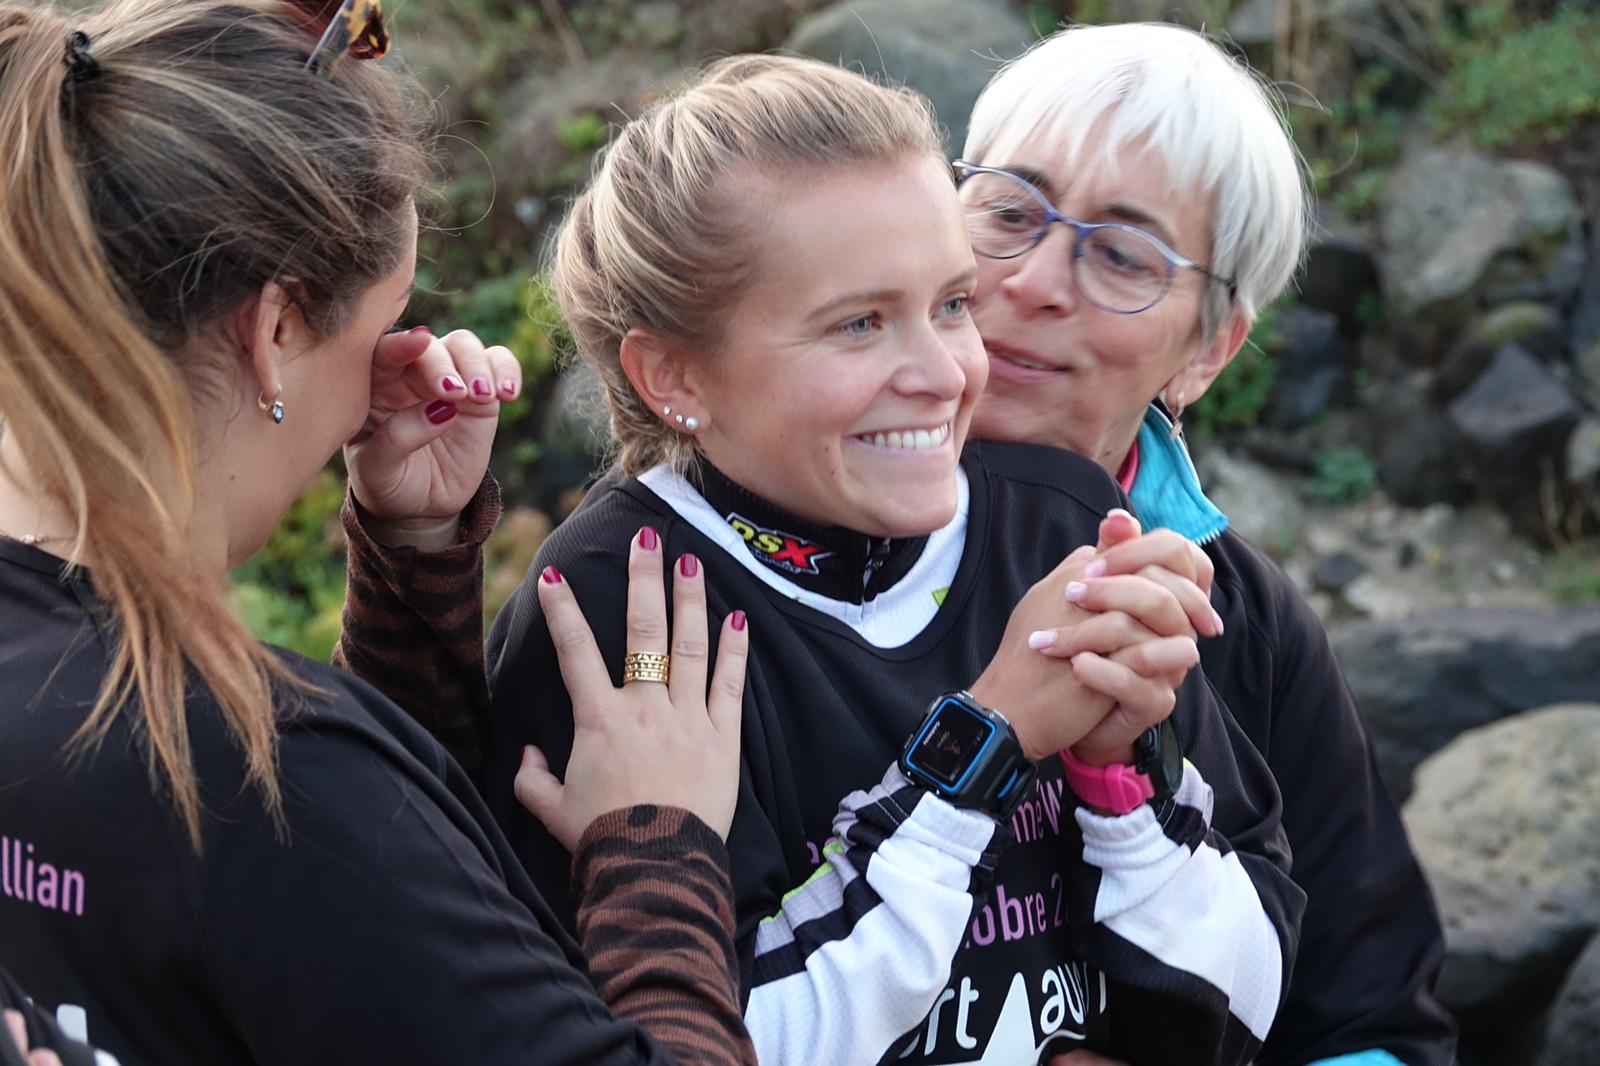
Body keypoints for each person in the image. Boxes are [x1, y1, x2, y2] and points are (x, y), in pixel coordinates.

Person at [0, 1, 822, 1063]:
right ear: (275, 329)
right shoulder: (267, 783)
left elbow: (367, 936)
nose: (384, 383)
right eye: (382, 325)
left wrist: (412, 555)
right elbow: (342, 858)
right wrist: (658, 842)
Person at [477, 55, 1305, 1066]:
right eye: (860, 323)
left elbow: (1244, 1008)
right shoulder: (622, 612)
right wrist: (981, 750)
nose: (945, 373)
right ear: (674, 373)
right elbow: (679, 1040)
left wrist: (1123, 782)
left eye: (952, 303)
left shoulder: (1062, 526)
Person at [958, 22, 1456, 1066]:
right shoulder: (756, 531)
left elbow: (1374, 1024)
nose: (1037, 279)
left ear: (1207, 351)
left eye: (1121, 255)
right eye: (1008, 211)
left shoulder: (1242, 623)